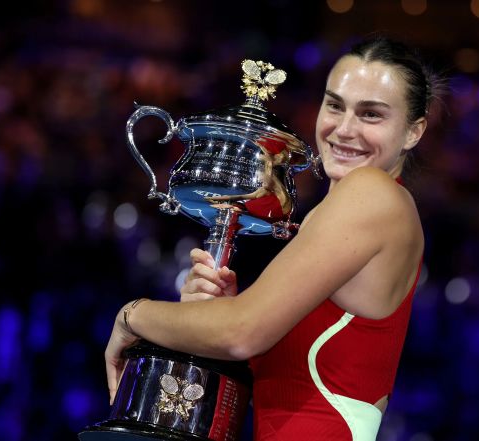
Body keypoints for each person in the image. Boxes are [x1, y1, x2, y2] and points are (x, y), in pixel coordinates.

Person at [105, 35, 440, 440]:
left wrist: (132, 316)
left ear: (413, 132)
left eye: (371, 114)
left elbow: (241, 332)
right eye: (335, 105)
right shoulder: (368, 207)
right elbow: (279, 366)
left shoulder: (371, 193)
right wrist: (213, 316)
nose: (344, 129)